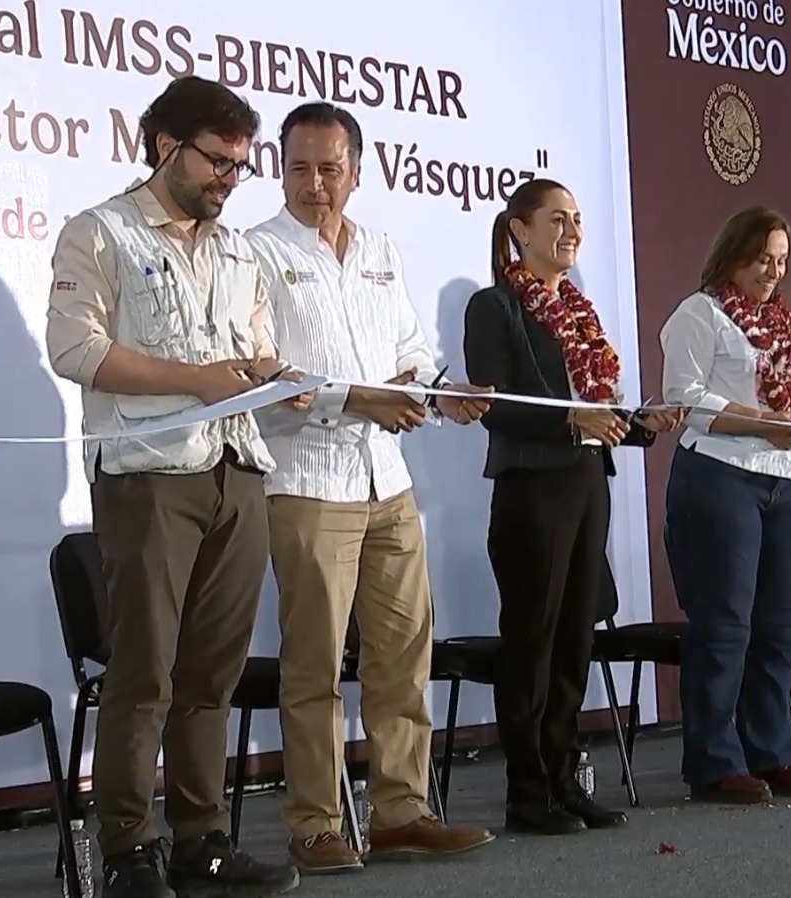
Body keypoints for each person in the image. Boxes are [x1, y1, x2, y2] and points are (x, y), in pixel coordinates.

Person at [44, 76, 304, 898]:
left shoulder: (237, 250)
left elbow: (252, 351)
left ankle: (203, 841)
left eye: (241, 165)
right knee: (144, 671)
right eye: (219, 161)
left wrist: (277, 379)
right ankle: (126, 847)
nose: (231, 178)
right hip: (148, 475)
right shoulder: (101, 232)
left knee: (212, 675)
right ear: (166, 145)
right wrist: (195, 381)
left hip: (240, 470)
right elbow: (76, 351)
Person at [244, 101, 496, 873]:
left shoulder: (381, 247)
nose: (314, 184)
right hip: (306, 481)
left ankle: (401, 811)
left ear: (357, 170)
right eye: (298, 167)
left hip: (387, 481)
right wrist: (358, 399)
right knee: (315, 664)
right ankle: (315, 824)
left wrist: (441, 389)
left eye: (329, 168)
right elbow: (261, 372)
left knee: (401, 655)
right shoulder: (254, 252)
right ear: (278, 168)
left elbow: (412, 351)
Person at [463, 177, 684, 834]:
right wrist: (571, 424)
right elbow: (495, 405)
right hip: (532, 486)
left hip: (586, 483)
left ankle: (564, 777)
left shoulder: (580, 312)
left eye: (578, 219)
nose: (571, 231)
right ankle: (526, 790)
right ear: (520, 229)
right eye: (556, 219)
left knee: (574, 639)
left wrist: (639, 422)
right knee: (532, 639)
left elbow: (597, 408)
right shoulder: (493, 306)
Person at [660, 206, 791, 805]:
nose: (773, 270)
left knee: (780, 626)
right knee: (725, 626)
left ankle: (772, 751)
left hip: (788, 481)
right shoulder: (699, 314)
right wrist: (765, 423)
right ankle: (715, 761)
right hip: (720, 477)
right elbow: (686, 399)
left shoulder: (783, 323)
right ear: (734, 252)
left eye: (782, 261)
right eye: (764, 258)